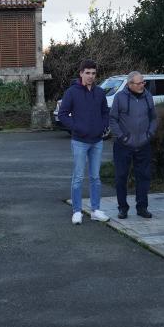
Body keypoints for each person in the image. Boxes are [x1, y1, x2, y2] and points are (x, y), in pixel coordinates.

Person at [57, 59, 110, 225]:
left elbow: (105, 112)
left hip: (97, 141)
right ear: (81, 73)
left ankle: (96, 210)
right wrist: (77, 128)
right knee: (78, 177)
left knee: (95, 177)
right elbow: (63, 114)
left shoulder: (100, 92)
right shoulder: (72, 92)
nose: (91, 76)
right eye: (87, 73)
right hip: (79, 141)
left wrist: (102, 127)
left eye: (93, 73)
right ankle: (77, 211)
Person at [109, 71, 157, 220]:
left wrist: (149, 134)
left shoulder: (148, 96)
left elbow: (154, 118)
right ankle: (122, 208)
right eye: (139, 83)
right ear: (130, 84)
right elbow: (113, 119)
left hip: (144, 144)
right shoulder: (119, 97)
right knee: (121, 177)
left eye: (143, 82)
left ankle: (142, 207)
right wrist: (123, 137)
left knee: (143, 177)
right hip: (123, 145)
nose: (143, 85)